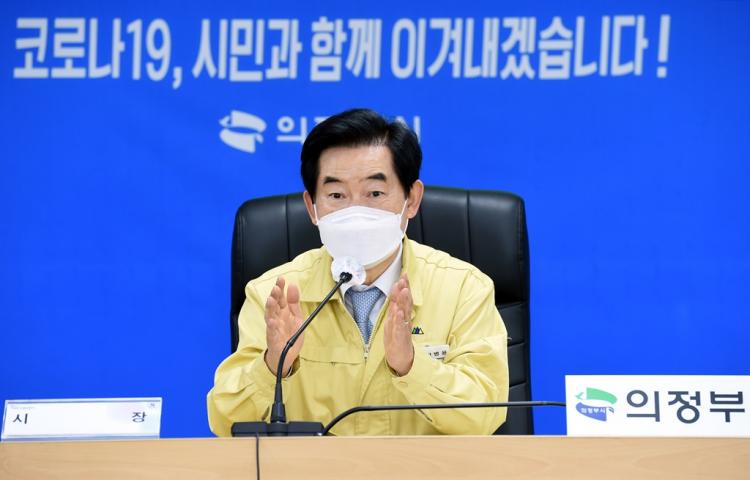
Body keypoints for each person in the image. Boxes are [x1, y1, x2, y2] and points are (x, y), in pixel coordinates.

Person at [207, 108, 509, 435]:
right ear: (312, 207)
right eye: (336, 195)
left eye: (375, 193)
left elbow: (487, 415)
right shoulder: (275, 293)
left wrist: (411, 366)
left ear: (412, 199)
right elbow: (225, 420)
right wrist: (273, 365)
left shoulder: (463, 288)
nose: (355, 212)